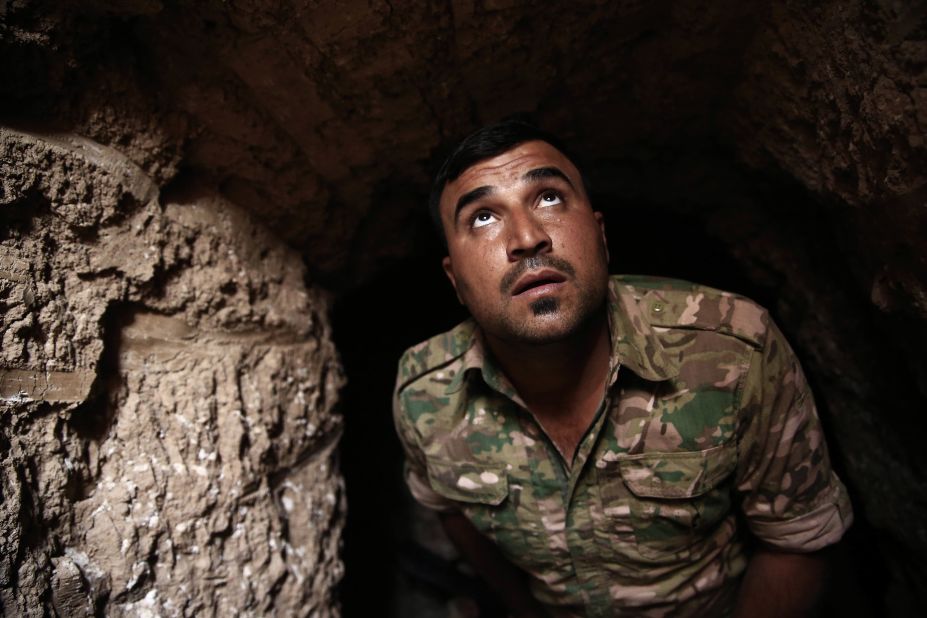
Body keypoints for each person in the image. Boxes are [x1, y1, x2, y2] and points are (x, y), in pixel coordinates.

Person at [393, 120, 853, 617]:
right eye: (483, 217)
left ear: (601, 235)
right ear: (455, 280)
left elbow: (796, 538)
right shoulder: (426, 395)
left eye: (548, 197)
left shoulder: (734, 351)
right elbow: (451, 512)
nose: (527, 238)